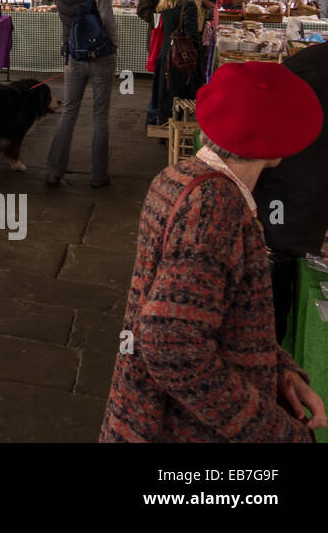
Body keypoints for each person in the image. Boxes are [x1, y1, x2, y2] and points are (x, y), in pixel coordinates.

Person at [101, 61, 325, 442]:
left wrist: (279, 369)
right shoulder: (216, 205)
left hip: (148, 412)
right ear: (278, 141)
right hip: (181, 429)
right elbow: (171, 342)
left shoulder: (180, 176)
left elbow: (213, 317)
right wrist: (274, 431)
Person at [256, 42, 328, 340]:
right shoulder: (312, 66)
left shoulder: (310, 60)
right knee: (276, 280)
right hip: (291, 198)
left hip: (287, 193)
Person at [45, 0, 118, 189]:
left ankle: (54, 171)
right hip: (101, 58)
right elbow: (108, 23)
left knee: (68, 112)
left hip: (74, 57)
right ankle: (98, 175)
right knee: (100, 117)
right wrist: (113, 47)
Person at [149, 0, 204, 125]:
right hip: (180, 58)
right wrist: (200, 62)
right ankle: (176, 133)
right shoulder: (189, 6)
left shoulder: (167, 3)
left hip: (165, 54)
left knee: (165, 98)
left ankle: (164, 131)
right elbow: (192, 36)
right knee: (180, 99)